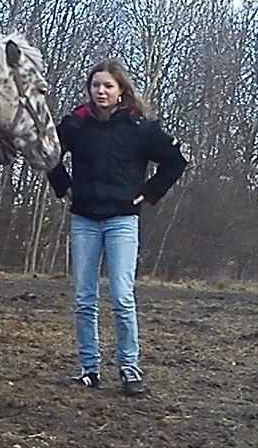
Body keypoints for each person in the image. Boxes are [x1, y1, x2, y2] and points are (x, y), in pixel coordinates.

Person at [47, 59, 188, 396]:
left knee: (122, 298)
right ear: (89, 89)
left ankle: (129, 369)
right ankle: (89, 368)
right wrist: (62, 183)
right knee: (85, 298)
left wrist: (151, 191)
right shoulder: (75, 124)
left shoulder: (140, 127)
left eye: (108, 85)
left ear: (121, 88)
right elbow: (48, 151)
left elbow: (175, 161)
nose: (101, 91)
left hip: (122, 220)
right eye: (96, 85)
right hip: (84, 219)